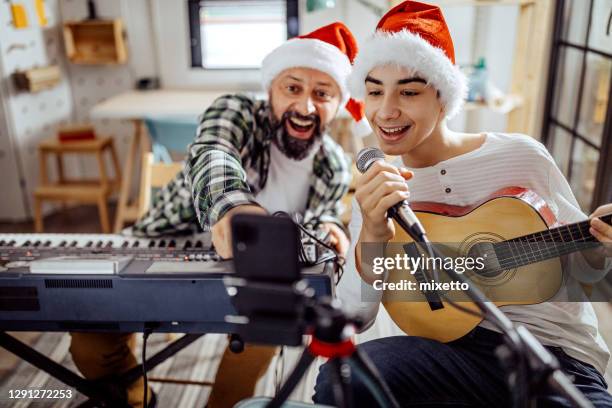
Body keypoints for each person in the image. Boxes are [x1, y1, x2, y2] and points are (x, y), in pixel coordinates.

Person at [313, 2, 612, 407]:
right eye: (374, 91)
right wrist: (373, 231)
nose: (386, 111)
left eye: (409, 91)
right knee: (337, 381)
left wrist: (603, 246)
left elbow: (583, 262)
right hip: (450, 351)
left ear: (443, 96)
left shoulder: (521, 156)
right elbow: (355, 316)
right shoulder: (375, 190)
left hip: (552, 352)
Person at [69, 22, 370, 408]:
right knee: (90, 343)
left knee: (271, 331)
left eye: (322, 93)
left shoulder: (333, 165)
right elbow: (214, 151)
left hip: (247, 279)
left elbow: (324, 211)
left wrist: (329, 227)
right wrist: (232, 207)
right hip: (164, 250)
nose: (305, 106)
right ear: (271, 90)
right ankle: (138, 399)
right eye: (292, 88)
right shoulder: (237, 111)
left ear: (338, 103)